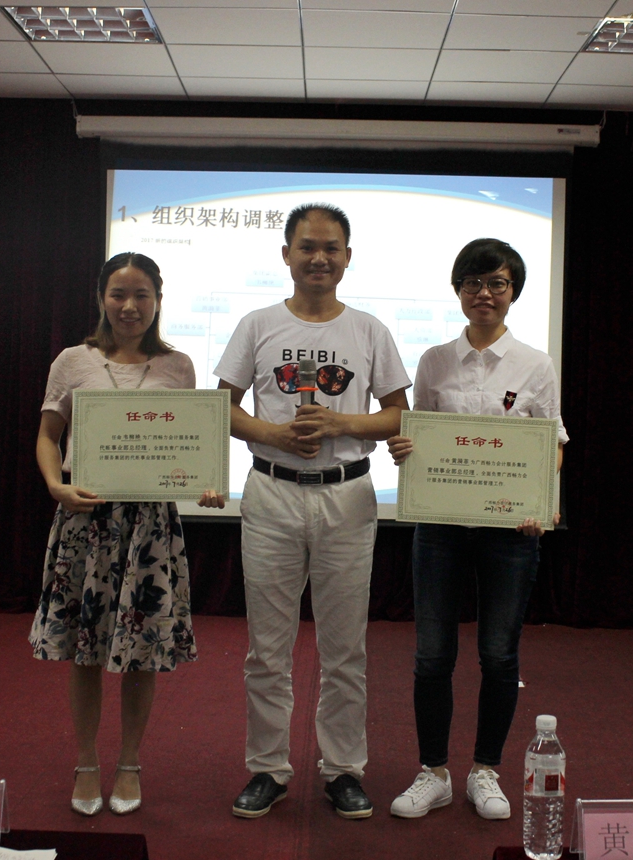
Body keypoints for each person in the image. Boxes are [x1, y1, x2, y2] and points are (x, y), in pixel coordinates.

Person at [215, 204, 410, 820]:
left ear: (348, 257)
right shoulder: (257, 324)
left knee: (344, 647)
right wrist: (273, 434)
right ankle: (267, 769)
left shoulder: (369, 330)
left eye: (331, 248)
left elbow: (398, 414)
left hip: (347, 496)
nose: (319, 258)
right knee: (266, 649)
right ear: (286, 255)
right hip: (271, 492)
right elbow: (221, 407)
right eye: (307, 247)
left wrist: (341, 424)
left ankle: (343, 769)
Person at [29, 252, 223, 817]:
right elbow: (48, 436)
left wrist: (206, 483)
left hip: (151, 528)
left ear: (158, 300)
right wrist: (55, 485)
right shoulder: (73, 361)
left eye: (142, 295)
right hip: (86, 519)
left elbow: (190, 444)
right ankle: (87, 760)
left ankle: (131, 761)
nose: (129, 306)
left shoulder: (178, 366)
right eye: (118, 294)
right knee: (85, 648)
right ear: (101, 298)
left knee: (142, 650)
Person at [388, 238, 568, 821]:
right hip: (440, 525)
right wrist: (406, 449)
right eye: (472, 283)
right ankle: (434, 772)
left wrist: (540, 499)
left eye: (496, 283)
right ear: (458, 290)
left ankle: (485, 770)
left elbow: (552, 444)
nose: (483, 293)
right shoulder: (434, 360)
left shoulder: (536, 364)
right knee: (432, 654)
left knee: (499, 654)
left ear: (513, 292)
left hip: (509, 532)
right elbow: (422, 434)